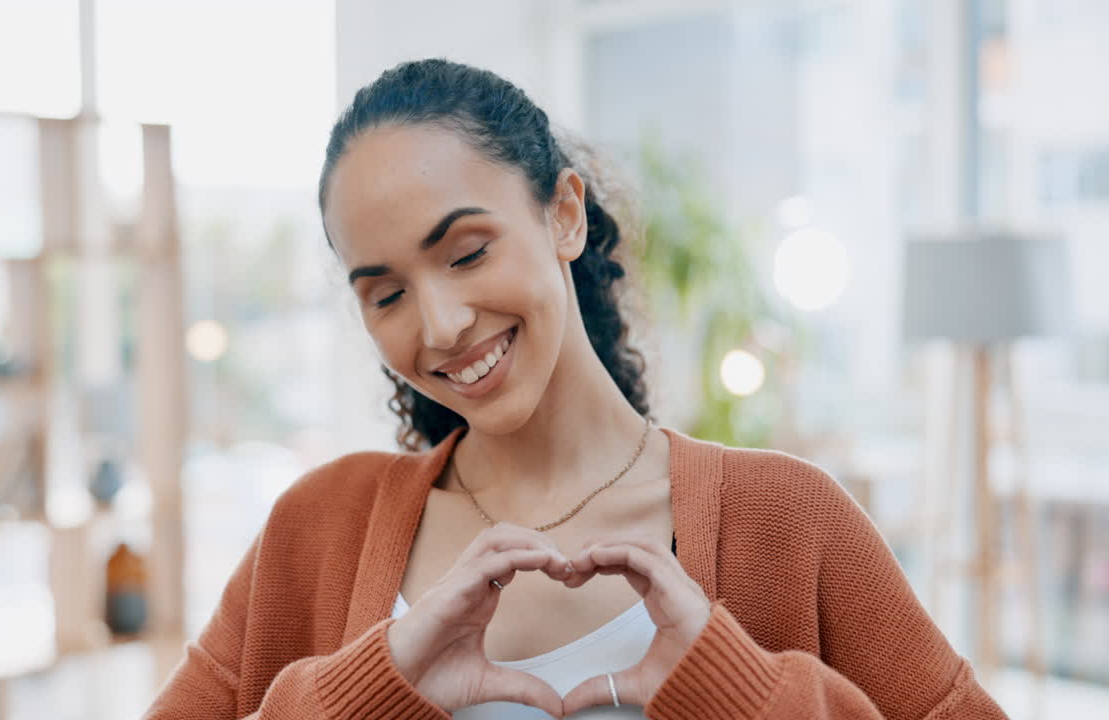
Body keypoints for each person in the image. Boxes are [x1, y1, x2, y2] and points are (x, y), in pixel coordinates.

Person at [144, 59, 1008, 719]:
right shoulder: (318, 528)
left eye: (467, 251)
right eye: (387, 293)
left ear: (565, 213)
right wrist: (372, 687)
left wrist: (733, 689)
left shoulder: (787, 519)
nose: (440, 324)